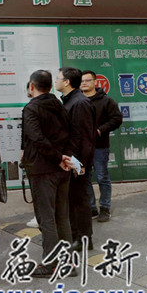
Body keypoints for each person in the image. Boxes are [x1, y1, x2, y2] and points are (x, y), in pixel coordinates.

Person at [21, 71, 76, 278]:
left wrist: (57, 158)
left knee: (47, 218)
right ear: (51, 87)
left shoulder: (31, 108)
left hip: (42, 169)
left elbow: (36, 138)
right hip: (61, 170)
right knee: (62, 216)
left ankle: (51, 264)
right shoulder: (60, 105)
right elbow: (72, 135)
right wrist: (65, 158)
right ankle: (67, 263)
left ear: (32, 86)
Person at [56, 67, 96, 252]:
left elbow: (84, 138)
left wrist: (79, 165)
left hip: (77, 162)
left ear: (67, 82)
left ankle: (84, 239)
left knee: (80, 200)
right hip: (71, 160)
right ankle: (75, 235)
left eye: (58, 78)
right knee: (73, 200)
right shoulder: (70, 101)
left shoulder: (80, 103)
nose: (56, 81)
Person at [80, 70, 123, 223]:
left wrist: (100, 130)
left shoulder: (106, 101)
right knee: (84, 177)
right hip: (80, 147)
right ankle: (91, 207)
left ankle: (105, 207)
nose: (84, 83)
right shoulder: (77, 101)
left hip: (100, 146)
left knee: (102, 177)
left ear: (95, 82)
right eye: (81, 81)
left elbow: (116, 119)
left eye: (87, 80)